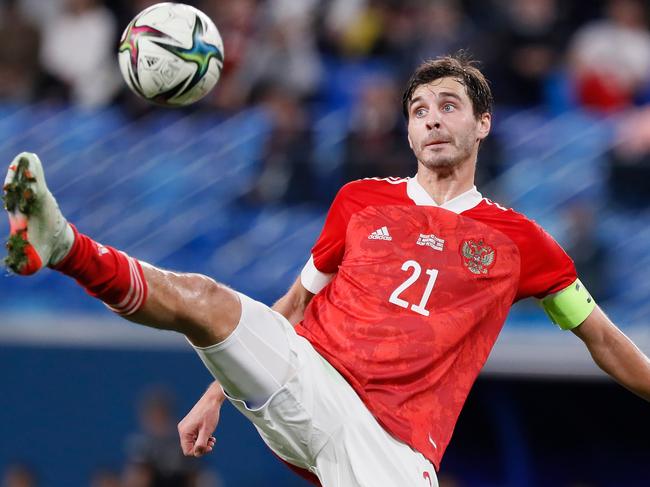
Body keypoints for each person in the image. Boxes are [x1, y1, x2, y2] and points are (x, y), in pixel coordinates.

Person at [4, 54, 650, 487]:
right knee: (204, 296)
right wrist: (215, 393)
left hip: (393, 446)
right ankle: (61, 244)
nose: (431, 118)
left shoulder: (522, 242)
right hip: (312, 377)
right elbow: (294, 302)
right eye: (419, 108)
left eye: (449, 106)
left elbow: (599, 336)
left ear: (482, 123)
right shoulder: (360, 201)